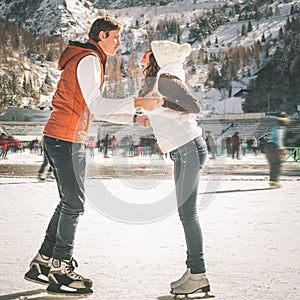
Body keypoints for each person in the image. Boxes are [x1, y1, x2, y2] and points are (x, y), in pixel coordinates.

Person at [24, 16, 160, 296]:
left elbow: (95, 108)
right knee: (74, 204)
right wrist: (137, 103)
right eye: (115, 37)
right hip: (65, 137)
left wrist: (134, 117)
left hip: (64, 136)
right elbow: (96, 106)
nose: (119, 43)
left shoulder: (89, 58)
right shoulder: (88, 60)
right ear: (100, 36)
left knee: (68, 202)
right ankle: (60, 270)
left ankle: (44, 261)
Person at [136, 41, 211, 297]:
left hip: (189, 148)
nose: (142, 56)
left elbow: (194, 106)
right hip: (183, 150)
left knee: (188, 214)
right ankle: (193, 271)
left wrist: (163, 103)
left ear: (158, 56)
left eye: (148, 52)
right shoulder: (160, 78)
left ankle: (199, 275)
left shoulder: (166, 78)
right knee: (184, 213)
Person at [264, 113, 289, 188]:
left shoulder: (275, 127)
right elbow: (279, 139)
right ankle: (274, 181)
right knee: (277, 164)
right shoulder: (280, 128)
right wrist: (282, 149)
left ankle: (272, 181)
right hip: (273, 146)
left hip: (267, 146)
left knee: (273, 164)